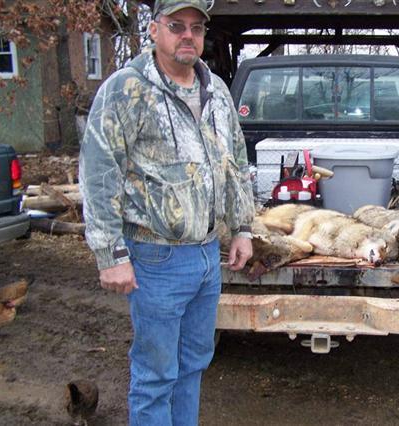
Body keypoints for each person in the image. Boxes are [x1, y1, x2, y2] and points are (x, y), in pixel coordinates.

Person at [78, 0, 255, 424]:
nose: (187, 35)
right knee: (156, 375)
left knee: (193, 365)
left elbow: (235, 159)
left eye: (196, 27)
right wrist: (110, 255)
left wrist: (243, 227)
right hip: (156, 258)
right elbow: (99, 173)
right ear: (154, 30)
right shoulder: (127, 89)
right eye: (177, 26)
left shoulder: (217, 91)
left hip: (208, 255)